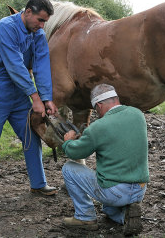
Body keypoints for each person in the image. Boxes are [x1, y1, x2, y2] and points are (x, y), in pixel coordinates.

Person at [0, 0, 58, 218]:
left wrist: (47, 98)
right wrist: (35, 97)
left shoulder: (38, 33)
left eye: (45, 22)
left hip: (17, 91)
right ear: (28, 12)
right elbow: (15, 65)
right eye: (39, 20)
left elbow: (41, 64)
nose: (41, 26)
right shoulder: (6, 27)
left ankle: (38, 184)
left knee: (32, 136)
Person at [61, 84, 149, 235]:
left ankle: (85, 217)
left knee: (69, 169)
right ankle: (126, 217)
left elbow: (76, 153)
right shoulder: (137, 114)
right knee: (107, 209)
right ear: (116, 99)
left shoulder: (98, 127)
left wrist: (68, 141)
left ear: (99, 106)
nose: (97, 114)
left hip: (115, 192)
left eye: (96, 110)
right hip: (140, 189)